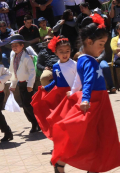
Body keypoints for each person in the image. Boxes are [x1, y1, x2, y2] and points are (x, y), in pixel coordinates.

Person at [47, 14, 120, 173]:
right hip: (94, 102)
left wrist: (73, 93)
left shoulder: (84, 59)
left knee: (95, 137)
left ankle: (89, 166)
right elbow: (86, 81)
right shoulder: (87, 60)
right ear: (89, 42)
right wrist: (84, 98)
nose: (103, 48)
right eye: (101, 44)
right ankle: (61, 161)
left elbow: (77, 81)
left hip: (99, 102)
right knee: (89, 137)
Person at [31, 36, 78, 140]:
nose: (64, 54)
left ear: (71, 51)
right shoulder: (56, 66)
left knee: (72, 117)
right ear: (55, 52)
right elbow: (56, 81)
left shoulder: (74, 65)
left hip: (71, 94)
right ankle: (64, 138)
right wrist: (46, 88)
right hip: (60, 96)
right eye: (61, 51)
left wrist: (75, 92)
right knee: (60, 117)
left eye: (67, 51)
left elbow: (78, 81)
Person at [8, 34, 40, 133]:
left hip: (27, 84)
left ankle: (37, 121)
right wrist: (13, 85)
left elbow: (32, 72)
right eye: (12, 46)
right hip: (21, 84)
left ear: (22, 45)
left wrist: (30, 85)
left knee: (28, 104)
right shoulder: (14, 58)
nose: (14, 48)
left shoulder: (26, 57)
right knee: (25, 106)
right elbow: (14, 73)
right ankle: (34, 123)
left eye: (16, 45)